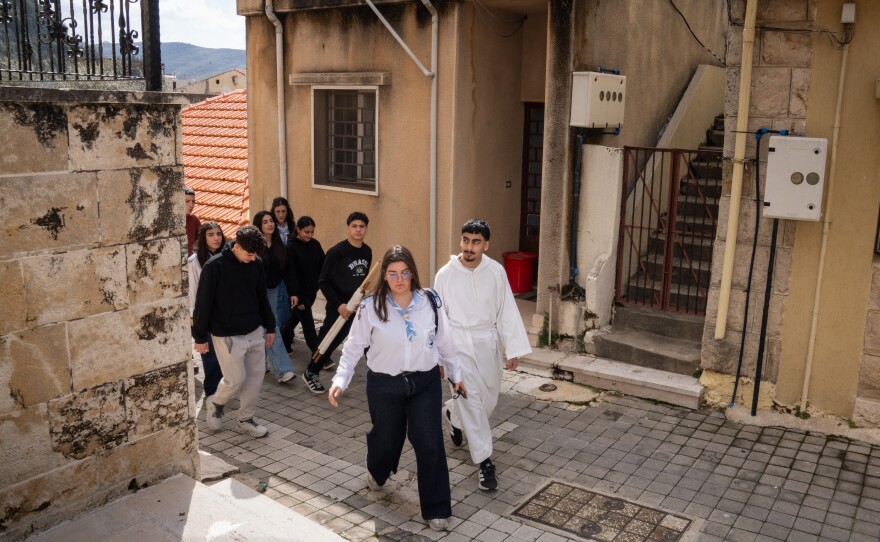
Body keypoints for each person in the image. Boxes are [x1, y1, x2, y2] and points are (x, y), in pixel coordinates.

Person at [328, 245, 466, 532]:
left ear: (413, 273)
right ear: (385, 276)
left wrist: (456, 374)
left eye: (405, 273)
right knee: (386, 439)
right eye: (392, 274)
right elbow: (354, 346)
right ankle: (377, 471)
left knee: (429, 441)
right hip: (384, 385)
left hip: (424, 383)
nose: (399, 279)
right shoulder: (370, 307)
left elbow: (445, 342)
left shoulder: (430, 302)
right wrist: (341, 379)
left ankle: (437, 507)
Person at [433, 219, 532, 491]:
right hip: (457, 345)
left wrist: (511, 349)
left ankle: (453, 415)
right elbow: (438, 320)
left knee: (486, 402)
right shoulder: (445, 275)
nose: (469, 247)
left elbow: (506, 311)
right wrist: (439, 358)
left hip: (486, 343)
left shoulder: (496, 272)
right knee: (472, 402)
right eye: (465, 240)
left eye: (476, 242)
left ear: (486, 245)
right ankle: (485, 462)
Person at [193, 225, 276, 439]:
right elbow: (203, 304)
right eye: (249, 253)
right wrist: (200, 337)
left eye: (256, 254)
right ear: (237, 246)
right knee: (235, 379)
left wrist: (270, 327)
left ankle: (246, 419)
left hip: (254, 330)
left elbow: (261, 296)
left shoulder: (256, 263)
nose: (253, 257)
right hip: (227, 334)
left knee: (255, 378)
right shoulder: (215, 266)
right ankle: (216, 403)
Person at [302, 212, 371, 393]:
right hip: (338, 307)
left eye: (361, 226)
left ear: (366, 229)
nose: (358, 230)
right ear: (348, 228)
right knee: (329, 341)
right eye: (354, 226)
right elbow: (323, 281)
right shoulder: (337, 252)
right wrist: (338, 304)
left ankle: (379, 374)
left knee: (366, 340)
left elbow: (363, 281)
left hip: (356, 307)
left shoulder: (367, 251)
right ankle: (311, 372)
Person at [253, 211, 297, 383]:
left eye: (271, 221)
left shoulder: (280, 246)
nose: (270, 224)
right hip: (254, 293)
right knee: (262, 328)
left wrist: (293, 292)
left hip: (271, 291)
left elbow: (288, 270)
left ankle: (282, 370)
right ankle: (269, 366)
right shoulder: (254, 247)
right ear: (259, 226)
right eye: (265, 222)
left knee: (270, 328)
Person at [188, 222, 226, 403]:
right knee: (210, 357)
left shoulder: (227, 257)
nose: (216, 238)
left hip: (225, 315)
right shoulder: (194, 262)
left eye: (218, 234)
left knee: (225, 355)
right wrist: (194, 319)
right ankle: (211, 393)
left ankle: (223, 389)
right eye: (211, 234)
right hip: (205, 316)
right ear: (203, 238)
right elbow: (193, 293)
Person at [282, 216, 325, 354]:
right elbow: (290, 273)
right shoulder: (291, 247)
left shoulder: (315, 244)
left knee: (294, 319)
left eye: (312, 232)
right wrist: (296, 295)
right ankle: (319, 355)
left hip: (312, 291)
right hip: (299, 294)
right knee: (308, 324)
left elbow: (323, 264)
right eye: (307, 232)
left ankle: (283, 342)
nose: (310, 235)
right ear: (298, 230)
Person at [271, 197, 296, 350]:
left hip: (292, 269)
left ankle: (288, 334)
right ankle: (282, 337)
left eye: (283, 211)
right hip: (278, 271)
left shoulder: (292, 226)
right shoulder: (271, 227)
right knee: (281, 306)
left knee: (292, 303)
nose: (281, 215)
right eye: (278, 212)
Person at [184, 187, 201, 257]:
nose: (192, 205)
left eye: (193, 201)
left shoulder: (194, 220)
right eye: (187, 201)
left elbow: (201, 243)